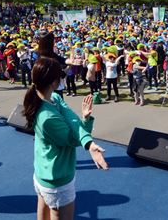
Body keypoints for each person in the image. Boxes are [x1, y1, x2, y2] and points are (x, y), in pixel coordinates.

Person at [23, 58, 108, 219]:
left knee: (43, 211)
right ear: (55, 82)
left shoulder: (52, 98)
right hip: (57, 180)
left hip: (44, 172)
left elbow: (71, 118)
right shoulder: (47, 117)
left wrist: (88, 141)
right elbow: (72, 139)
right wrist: (87, 129)